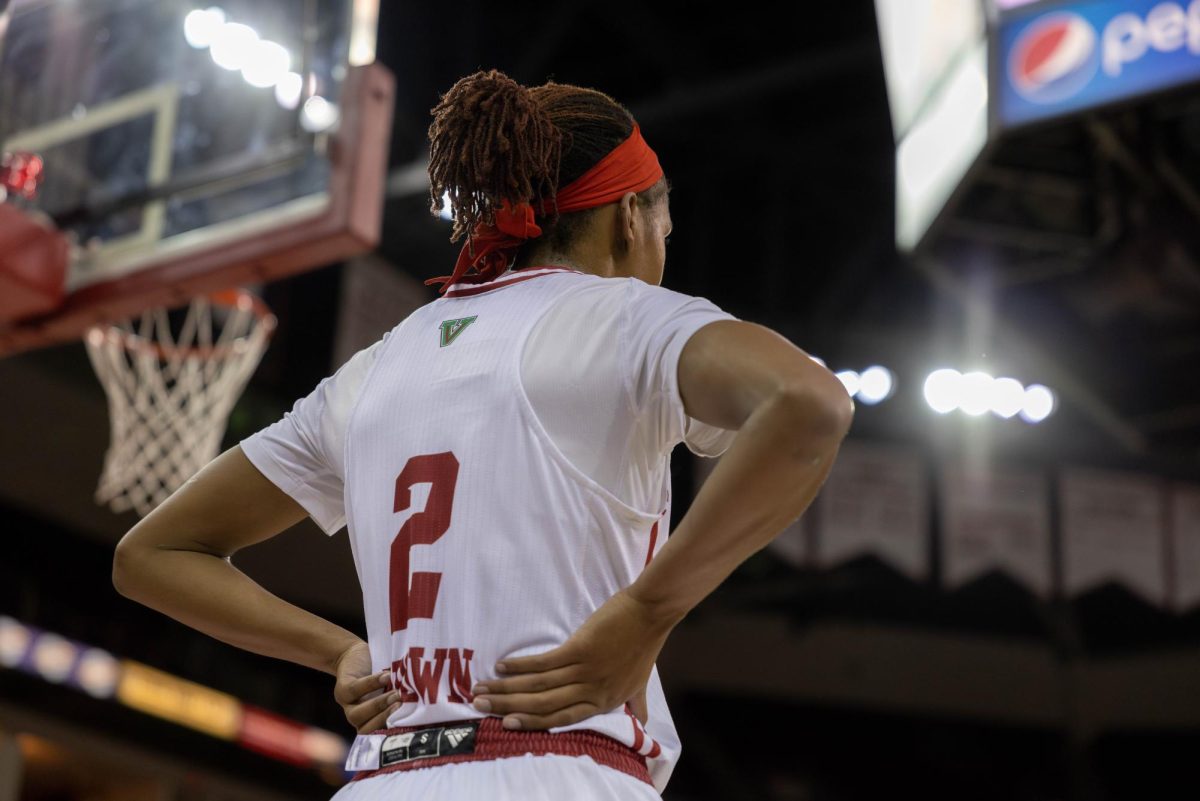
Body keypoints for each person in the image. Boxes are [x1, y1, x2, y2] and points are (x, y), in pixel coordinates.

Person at [112, 69, 853, 800]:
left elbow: (151, 553)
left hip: (383, 778)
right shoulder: (623, 314)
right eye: (664, 226)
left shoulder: (376, 365)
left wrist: (339, 649)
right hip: (558, 767)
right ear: (630, 217)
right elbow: (810, 403)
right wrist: (647, 612)